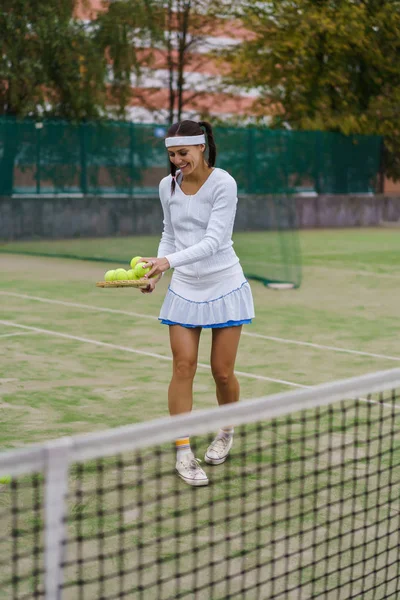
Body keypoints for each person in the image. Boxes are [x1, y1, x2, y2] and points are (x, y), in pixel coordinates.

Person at [140, 120, 255, 487]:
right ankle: (183, 451)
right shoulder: (167, 185)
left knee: (221, 372)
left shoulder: (224, 183)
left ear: (202, 148)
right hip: (185, 288)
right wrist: (157, 272)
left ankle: (226, 430)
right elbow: (169, 234)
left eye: (183, 153)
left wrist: (166, 263)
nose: (177, 161)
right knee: (182, 366)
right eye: (172, 154)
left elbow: (214, 241)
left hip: (224, 284)